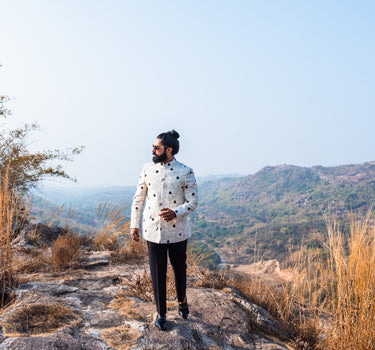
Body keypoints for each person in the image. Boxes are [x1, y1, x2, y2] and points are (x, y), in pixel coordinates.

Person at [130, 130, 198, 331]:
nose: (152, 150)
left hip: (178, 230)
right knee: (157, 272)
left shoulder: (186, 171)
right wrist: (134, 224)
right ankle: (161, 313)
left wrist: (176, 213)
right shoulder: (147, 168)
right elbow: (138, 197)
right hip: (152, 230)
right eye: (153, 147)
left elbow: (193, 201)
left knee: (179, 269)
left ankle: (182, 302)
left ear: (168, 150)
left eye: (156, 147)